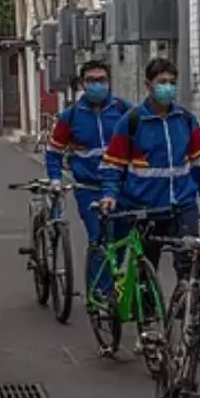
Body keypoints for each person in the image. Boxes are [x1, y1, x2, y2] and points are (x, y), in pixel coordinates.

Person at [99, 58, 200, 350]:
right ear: (148, 85)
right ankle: (148, 327)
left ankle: (189, 328)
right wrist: (111, 194)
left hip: (183, 205)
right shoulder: (133, 121)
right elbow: (114, 165)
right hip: (144, 207)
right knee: (144, 269)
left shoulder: (186, 120)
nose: (168, 88)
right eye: (161, 82)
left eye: (172, 82)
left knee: (188, 266)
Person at [45, 59, 134, 299]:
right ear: (83, 84)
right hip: (89, 189)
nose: (97, 85)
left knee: (122, 239)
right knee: (100, 238)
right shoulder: (70, 116)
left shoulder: (125, 111)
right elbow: (53, 152)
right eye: (92, 81)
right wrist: (54, 179)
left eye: (102, 80)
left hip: (122, 188)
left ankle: (111, 280)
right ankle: (101, 294)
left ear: (109, 82)